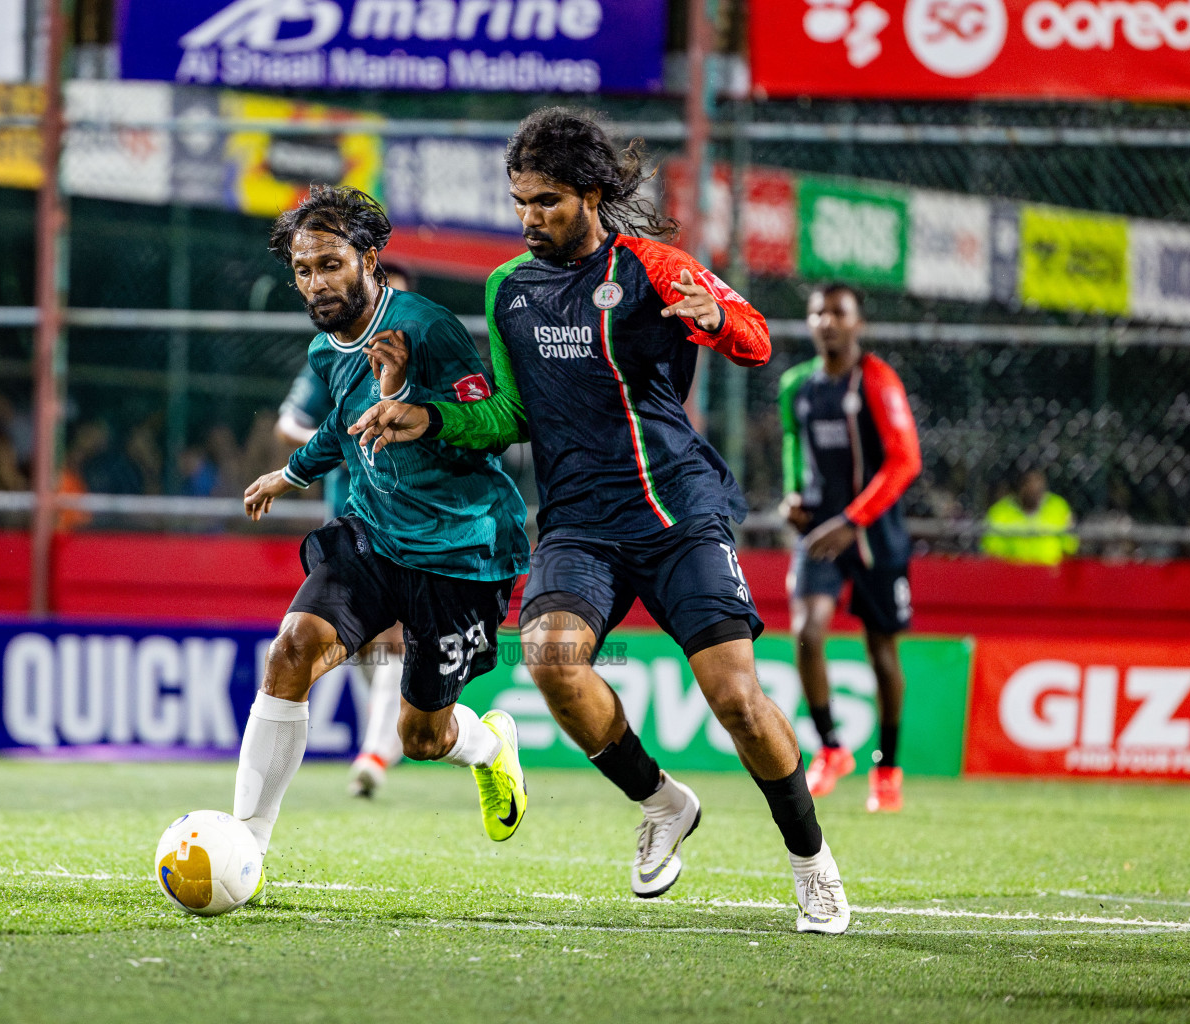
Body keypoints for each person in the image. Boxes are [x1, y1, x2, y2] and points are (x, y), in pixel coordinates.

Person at [351, 107, 850, 934]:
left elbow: (758, 340)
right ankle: (662, 803)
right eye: (520, 201)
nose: (529, 217)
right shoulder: (509, 290)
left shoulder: (652, 267)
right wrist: (430, 417)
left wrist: (717, 317)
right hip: (580, 523)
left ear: (590, 194)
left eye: (545, 201)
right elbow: (512, 415)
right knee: (551, 660)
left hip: (676, 510)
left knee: (735, 698)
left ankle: (812, 863)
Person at [238, 185, 532, 868]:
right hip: (372, 533)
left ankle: (489, 746)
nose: (317, 283)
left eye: (331, 264)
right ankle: (245, 847)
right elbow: (342, 424)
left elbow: (494, 431)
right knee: (289, 654)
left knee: (422, 737)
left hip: (458, 550)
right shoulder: (325, 349)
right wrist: (291, 475)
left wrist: (414, 405)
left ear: (369, 259)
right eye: (304, 270)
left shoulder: (428, 329)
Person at [275, 261, 419, 798]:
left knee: (393, 638)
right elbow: (289, 423)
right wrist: (335, 441)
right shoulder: (334, 357)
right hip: (349, 519)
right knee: (365, 645)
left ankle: (375, 753)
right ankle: (390, 736)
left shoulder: (427, 354)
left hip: (415, 522)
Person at [777, 283, 922, 814]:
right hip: (820, 533)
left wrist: (852, 520)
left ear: (858, 324)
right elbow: (794, 447)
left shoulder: (878, 380)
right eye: (819, 312)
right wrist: (793, 495)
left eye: (839, 313)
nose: (827, 321)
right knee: (806, 632)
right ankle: (832, 749)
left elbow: (905, 460)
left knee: (882, 653)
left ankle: (887, 769)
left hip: (874, 535)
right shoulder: (796, 385)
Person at [981, 469, 1078, 566]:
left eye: (1038, 481)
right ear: (1019, 486)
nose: (1033, 487)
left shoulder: (1058, 507)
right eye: (1027, 482)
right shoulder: (1000, 512)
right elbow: (992, 552)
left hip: (1050, 569)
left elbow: (1069, 548)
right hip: (1014, 570)